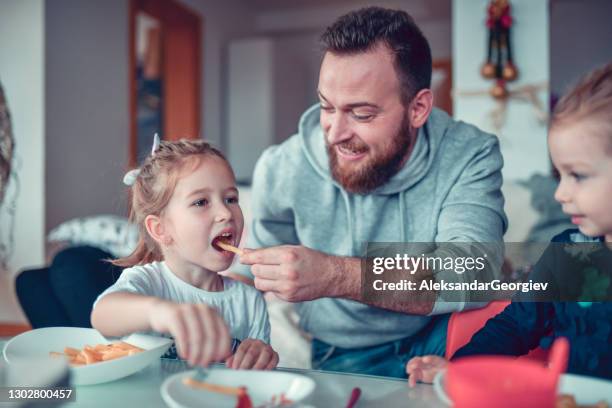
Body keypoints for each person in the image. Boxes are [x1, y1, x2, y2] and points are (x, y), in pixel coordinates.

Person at [235, 7, 507, 377]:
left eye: (361, 114)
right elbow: (254, 276)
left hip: (445, 332)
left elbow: (475, 271)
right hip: (344, 350)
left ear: (419, 108)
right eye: (326, 106)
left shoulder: (470, 153)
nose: (333, 133)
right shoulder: (281, 167)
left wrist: (334, 275)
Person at [406, 63, 612, 384]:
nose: (560, 194)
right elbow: (517, 324)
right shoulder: (566, 252)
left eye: (579, 176)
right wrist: (460, 370)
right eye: (560, 175)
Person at [91, 138, 278, 370]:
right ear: (161, 230)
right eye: (201, 202)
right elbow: (102, 316)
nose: (225, 213)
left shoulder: (250, 302)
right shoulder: (148, 282)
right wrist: (161, 312)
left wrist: (261, 355)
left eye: (231, 199)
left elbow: (256, 382)